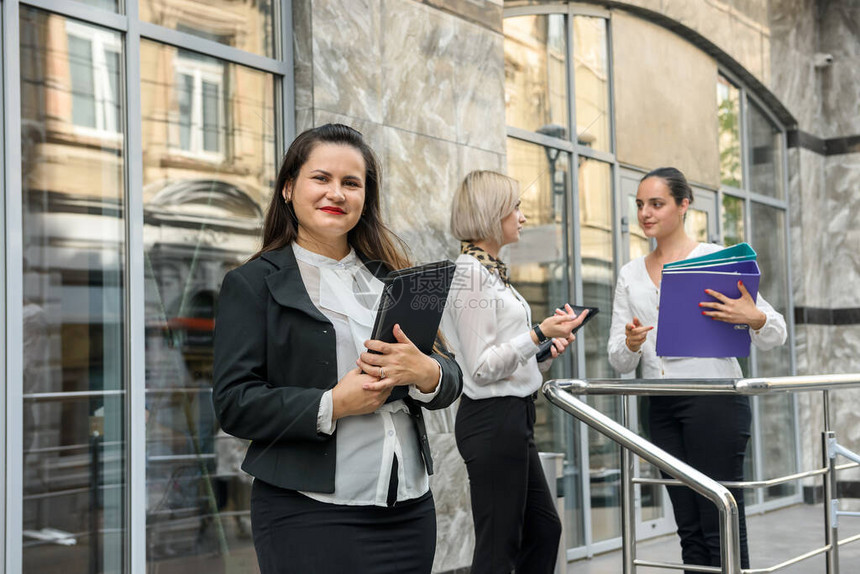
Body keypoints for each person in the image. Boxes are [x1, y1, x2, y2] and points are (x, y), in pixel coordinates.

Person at [212, 123, 463, 573]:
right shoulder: (251, 284)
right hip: (309, 512)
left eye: (352, 183)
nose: (337, 193)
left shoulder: (391, 276)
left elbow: (450, 374)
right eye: (321, 178)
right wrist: (332, 404)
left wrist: (426, 373)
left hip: (408, 507)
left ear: (366, 197)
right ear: (289, 188)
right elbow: (234, 404)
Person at [608, 167, 787, 572]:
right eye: (640, 205)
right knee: (687, 525)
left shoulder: (716, 259)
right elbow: (618, 360)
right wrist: (631, 344)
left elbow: (777, 332)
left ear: (683, 205)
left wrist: (752, 316)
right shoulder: (630, 274)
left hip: (716, 402)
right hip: (660, 405)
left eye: (657, 203)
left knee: (719, 520)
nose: (645, 214)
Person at [440, 170, 588, 574]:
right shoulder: (469, 274)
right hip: (491, 420)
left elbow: (509, 357)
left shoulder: (491, 272)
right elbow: (483, 368)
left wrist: (545, 349)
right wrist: (539, 331)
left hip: (514, 415)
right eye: (516, 207)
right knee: (498, 547)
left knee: (543, 530)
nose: (523, 217)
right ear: (492, 213)